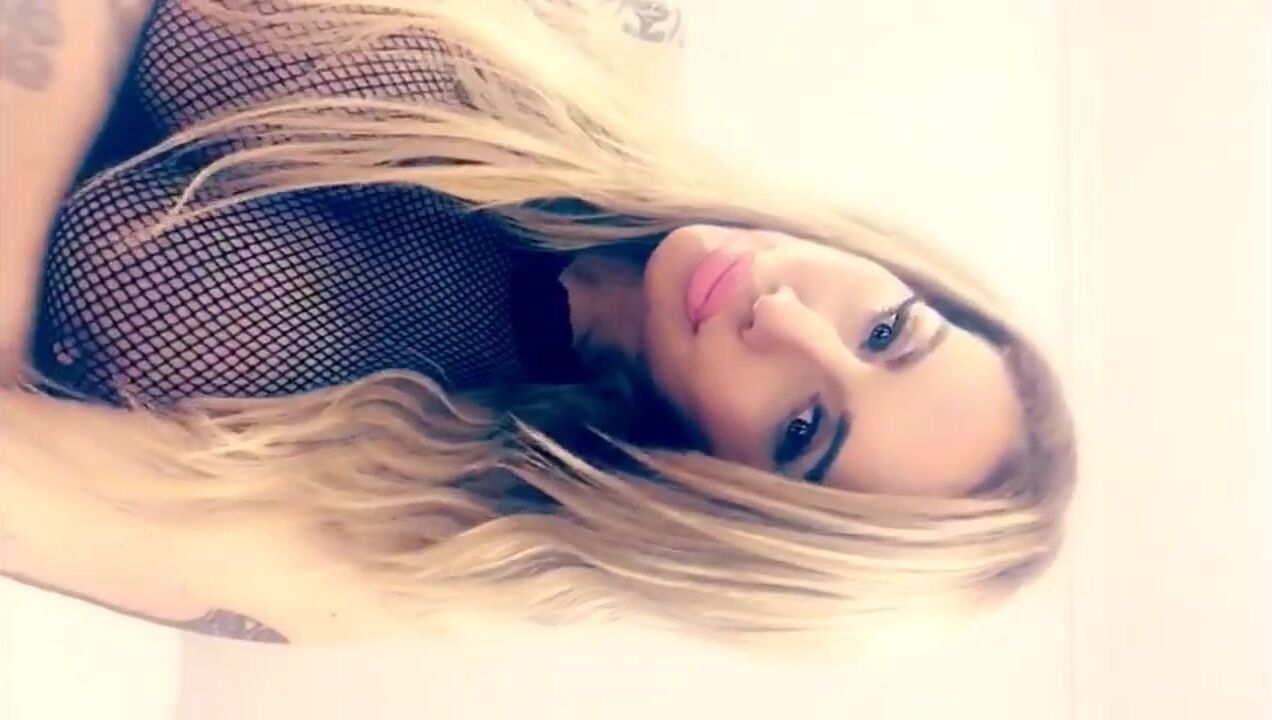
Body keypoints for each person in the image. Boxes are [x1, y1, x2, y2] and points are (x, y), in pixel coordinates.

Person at [0, 0, 1076, 651]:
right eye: (886, 329)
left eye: (802, 429)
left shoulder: (393, 542)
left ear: (717, 503)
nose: (789, 318)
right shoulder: (605, 30)